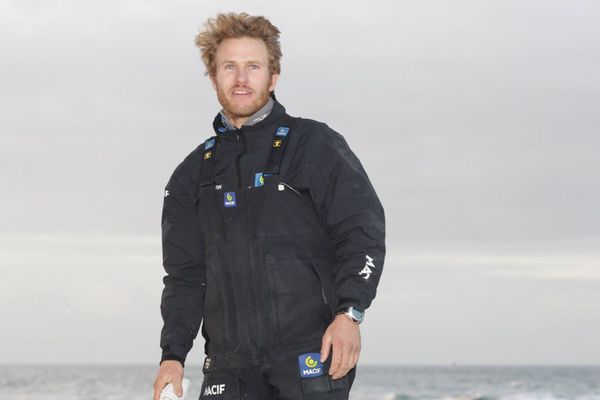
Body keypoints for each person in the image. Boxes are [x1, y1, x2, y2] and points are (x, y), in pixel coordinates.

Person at [152, 12, 385, 400]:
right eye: (229, 67)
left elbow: (362, 233)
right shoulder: (191, 174)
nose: (241, 78)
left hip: (310, 356)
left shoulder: (314, 144)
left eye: (253, 66)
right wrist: (172, 355)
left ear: (273, 76)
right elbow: (184, 276)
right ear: (213, 78)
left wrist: (350, 313)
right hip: (229, 365)